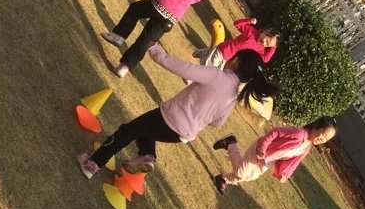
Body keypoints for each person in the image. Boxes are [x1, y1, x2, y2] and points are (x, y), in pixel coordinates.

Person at [76, 45, 279, 177]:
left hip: (169, 118)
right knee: (145, 131)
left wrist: (156, 51)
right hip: (183, 135)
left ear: (236, 61)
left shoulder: (217, 75)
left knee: (126, 132)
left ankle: (92, 164)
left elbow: (184, 68)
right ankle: (147, 155)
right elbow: (217, 123)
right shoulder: (233, 95)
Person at [100, 0, 228, 78]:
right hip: (172, 18)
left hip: (159, 3)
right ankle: (124, 67)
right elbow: (195, 0)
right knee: (146, 40)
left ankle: (118, 36)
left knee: (134, 10)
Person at [212, 116, 336, 195]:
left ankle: (223, 179)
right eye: (323, 134)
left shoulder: (307, 147)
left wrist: (285, 174)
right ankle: (230, 144)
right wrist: (262, 147)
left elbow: (294, 162)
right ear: (316, 126)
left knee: (250, 176)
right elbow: (276, 132)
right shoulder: (299, 134)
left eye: (327, 139)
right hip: (260, 150)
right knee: (241, 172)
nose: (323, 139)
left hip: (267, 160)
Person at [193, 17, 278, 71]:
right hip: (223, 51)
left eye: (267, 45)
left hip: (229, 62)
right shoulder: (251, 32)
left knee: (214, 72)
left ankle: (204, 53)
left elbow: (265, 59)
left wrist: (274, 46)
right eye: (267, 41)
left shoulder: (260, 50)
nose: (264, 44)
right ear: (266, 32)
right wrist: (249, 21)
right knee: (208, 69)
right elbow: (237, 24)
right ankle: (192, 77)